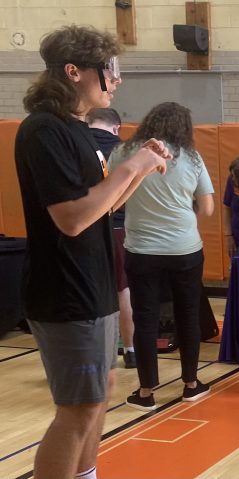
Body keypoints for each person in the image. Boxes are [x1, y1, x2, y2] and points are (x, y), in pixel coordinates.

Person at [14, 25, 168, 479]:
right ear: (74, 71)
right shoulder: (43, 130)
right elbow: (72, 219)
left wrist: (139, 170)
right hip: (65, 292)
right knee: (78, 409)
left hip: (94, 285)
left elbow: (103, 207)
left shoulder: (78, 130)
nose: (116, 80)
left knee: (99, 395)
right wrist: (133, 165)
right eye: (110, 70)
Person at [110, 102, 215, 411]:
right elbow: (207, 208)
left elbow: (113, 195)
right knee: (187, 315)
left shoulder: (123, 152)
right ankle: (191, 384)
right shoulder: (192, 157)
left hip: (141, 250)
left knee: (145, 319)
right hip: (185, 249)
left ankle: (145, 392)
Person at [87, 107, 135, 369]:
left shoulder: (76, 145)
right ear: (117, 127)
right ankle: (130, 350)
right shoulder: (125, 150)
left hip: (83, 227)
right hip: (118, 227)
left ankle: (94, 354)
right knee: (122, 290)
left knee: (89, 291)